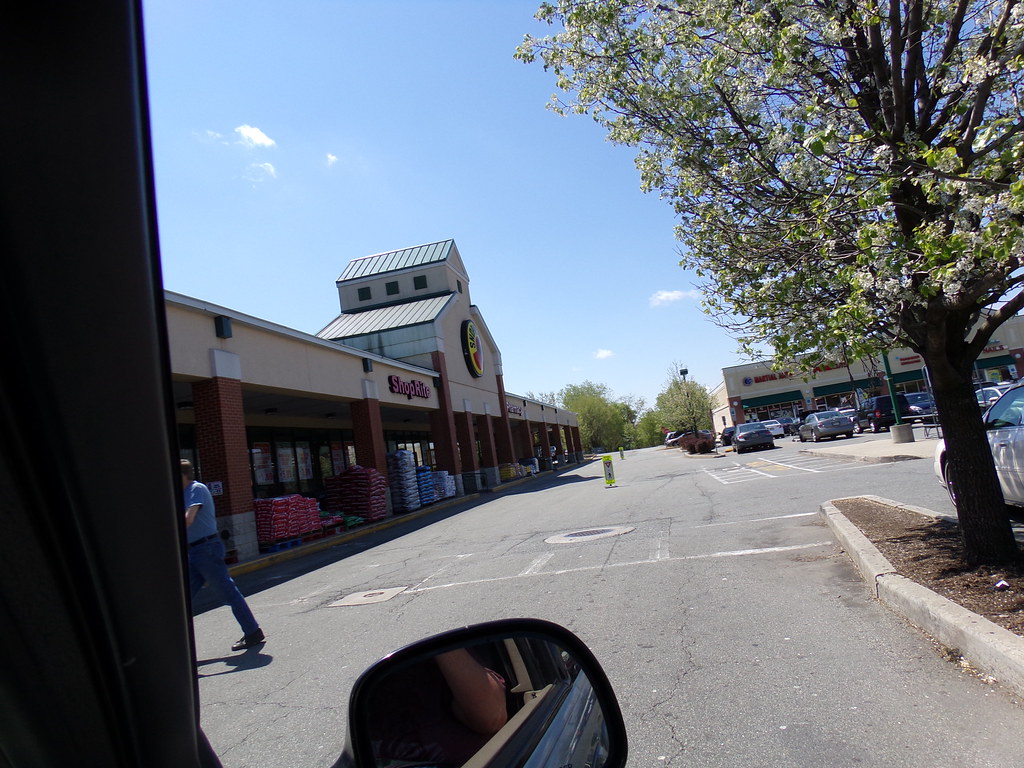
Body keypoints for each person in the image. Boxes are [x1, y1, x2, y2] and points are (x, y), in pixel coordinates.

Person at [181, 459, 265, 652]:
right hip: (193, 551)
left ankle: (253, 632)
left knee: (228, 592)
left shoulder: (197, 489)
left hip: (206, 549)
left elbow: (188, 519)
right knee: (181, 597)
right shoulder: (183, 493)